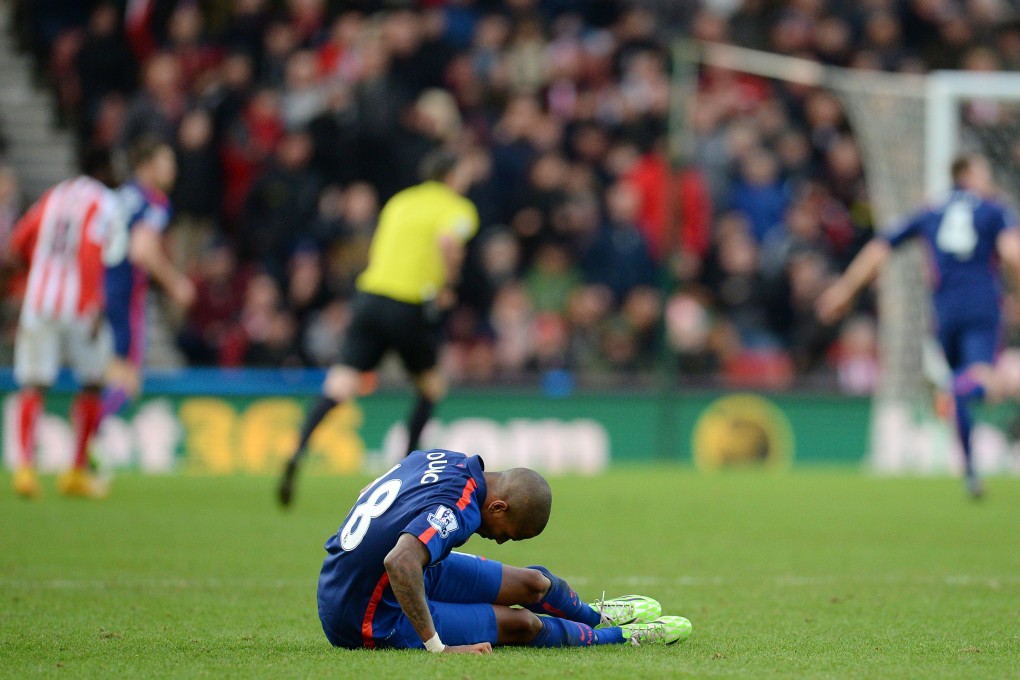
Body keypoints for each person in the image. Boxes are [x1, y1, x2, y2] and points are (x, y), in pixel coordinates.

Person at [317, 448, 692, 651]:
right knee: (523, 623)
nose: (499, 541)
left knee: (534, 583)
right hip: (366, 615)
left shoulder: (445, 460)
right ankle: (624, 637)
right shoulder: (457, 509)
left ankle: (595, 617)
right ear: (498, 507)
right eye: (507, 534)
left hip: (394, 573)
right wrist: (438, 648)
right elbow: (399, 561)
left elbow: (369, 493)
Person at [278, 150, 478, 507]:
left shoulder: (399, 202)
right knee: (431, 386)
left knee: (340, 383)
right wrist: (449, 285)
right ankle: (403, 477)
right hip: (409, 303)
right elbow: (448, 242)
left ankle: (297, 449)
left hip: (369, 298)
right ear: (451, 176)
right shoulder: (456, 207)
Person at [817, 154, 1020, 498]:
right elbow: (1013, 253)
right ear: (968, 175)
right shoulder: (993, 209)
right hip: (983, 307)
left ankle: (970, 472)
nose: (989, 181)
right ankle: (964, 395)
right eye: (984, 173)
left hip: (943, 313)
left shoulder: (930, 211)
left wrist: (844, 289)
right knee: (983, 384)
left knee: (960, 386)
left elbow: (881, 247)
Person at [8, 152, 128, 498]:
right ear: (105, 172)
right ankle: (75, 471)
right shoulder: (103, 200)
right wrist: (91, 302)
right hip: (79, 304)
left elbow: (19, 239)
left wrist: (35, 273)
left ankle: (25, 472)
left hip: (39, 301)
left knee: (34, 383)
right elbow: (92, 249)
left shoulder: (56, 194)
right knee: (92, 381)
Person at [102, 137, 195, 420]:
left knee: (111, 374)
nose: (173, 170)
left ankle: (88, 441)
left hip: (101, 289)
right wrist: (175, 283)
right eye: (167, 162)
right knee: (128, 380)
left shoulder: (118, 197)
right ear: (147, 166)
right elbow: (142, 249)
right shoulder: (153, 201)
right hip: (125, 295)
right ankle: (88, 435)